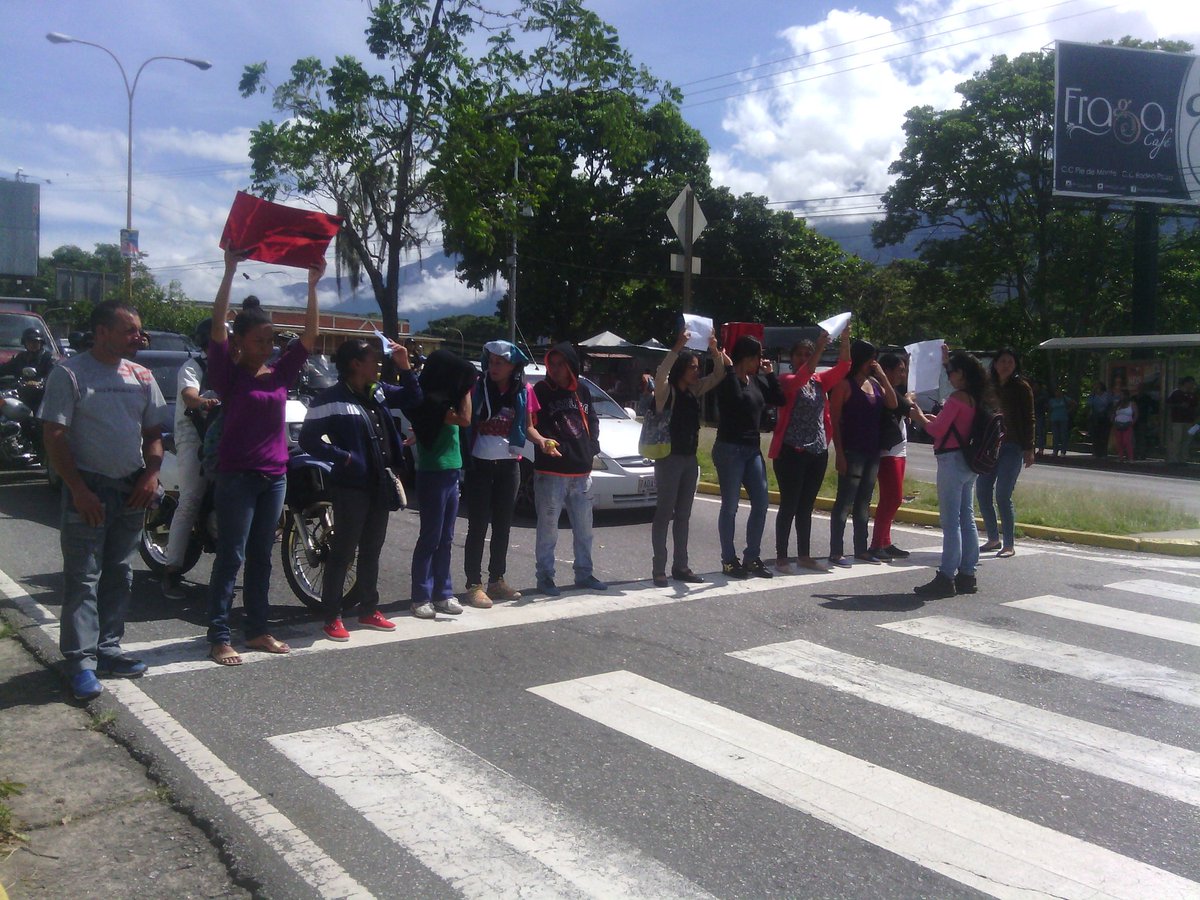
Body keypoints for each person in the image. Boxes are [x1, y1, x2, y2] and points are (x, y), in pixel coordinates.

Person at [40, 299, 166, 699]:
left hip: (131, 489)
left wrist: (151, 475)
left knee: (119, 573)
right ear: (101, 333)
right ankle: (80, 663)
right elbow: (55, 436)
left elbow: (154, 435)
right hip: (89, 490)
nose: (138, 337)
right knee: (83, 577)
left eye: (139, 330)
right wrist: (77, 489)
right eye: (129, 330)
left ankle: (108, 649)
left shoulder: (142, 376)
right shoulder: (70, 374)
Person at [205, 250, 323, 666]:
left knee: (260, 555)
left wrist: (312, 287)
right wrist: (228, 271)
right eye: (260, 340)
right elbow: (218, 328)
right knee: (231, 555)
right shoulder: (227, 373)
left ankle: (256, 629)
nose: (269, 346)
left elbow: (309, 337)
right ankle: (219, 635)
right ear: (240, 342)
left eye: (271, 340)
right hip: (237, 477)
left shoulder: (280, 374)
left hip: (274, 477)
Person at [299, 337, 422, 640]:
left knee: (371, 548)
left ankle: (368, 609)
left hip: (379, 483)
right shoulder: (329, 399)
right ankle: (332, 616)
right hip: (350, 486)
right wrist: (344, 457)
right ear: (356, 364)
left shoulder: (377, 392)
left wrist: (406, 366)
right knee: (343, 551)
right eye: (373, 360)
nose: (379, 365)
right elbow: (308, 440)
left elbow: (413, 398)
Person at [908, 348, 994, 598]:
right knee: (966, 518)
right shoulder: (977, 398)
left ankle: (946, 576)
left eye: (952, 372)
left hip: (951, 460)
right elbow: (952, 425)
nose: (950, 376)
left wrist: (919, 416)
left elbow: (935, 430)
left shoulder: (957, 398)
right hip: (969, 461)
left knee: (950, 521)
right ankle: (967, 574)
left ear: (962, 374)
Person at [528, 342, 608, 595]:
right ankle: (545, 577)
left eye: (561, 363)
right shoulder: (540, 390)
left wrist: (591, 446)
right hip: (551, 473)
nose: (554, 368)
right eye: (552, 362)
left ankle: (584, 574)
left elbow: (592, 419)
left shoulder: (581, 390)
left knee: (585, 531)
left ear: (571, 365)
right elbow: (529, 424)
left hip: (581, 474)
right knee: (548, 530)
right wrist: (544, 443)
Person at [769, 328, 850, 573]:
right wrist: (819, 349)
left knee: (806, 507)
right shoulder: (785, 380)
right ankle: (782, 557)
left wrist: (845, 339)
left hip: (816, 451)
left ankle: (804, 555)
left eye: (808, 354)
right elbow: (800, 378)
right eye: (800, 354)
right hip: (791, 451)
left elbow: (844, 366)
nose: (804, 358)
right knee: (789, 505)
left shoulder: (819, 381)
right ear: (792, 359)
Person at [650, 327, 726, 587]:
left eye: (697, 366)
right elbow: (660, 374)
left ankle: (681, 566)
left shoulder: (694, 391)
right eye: (692, 367)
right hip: (669, 459)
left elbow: (719, 373)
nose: (697, 370)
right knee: (664, 514)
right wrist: (677, 347)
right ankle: (659, 568)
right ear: (682, 368)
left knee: (683, 516)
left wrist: (714, 349)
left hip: (689, 460)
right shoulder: (666, 392)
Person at [462, 340, 532, 608]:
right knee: (477, 525)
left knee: (503, 525)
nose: (494, 367)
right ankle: (473, 584)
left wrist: (544, 441)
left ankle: (497, 580)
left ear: (513, 365)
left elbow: (528, 426)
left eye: (500, 362)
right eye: (491, 362)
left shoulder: (523, 391)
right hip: (480, 463)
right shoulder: (477, 388)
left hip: (509, 465)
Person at [408, 349, 476, 618]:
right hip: (433, 474)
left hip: (452, 472)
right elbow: (465, 419)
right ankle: (420, 596)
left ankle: (443, 592)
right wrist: (465, 390)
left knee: (446, 538)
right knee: (431, 537)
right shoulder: (431, 403)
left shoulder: (445, 400)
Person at [712, 334, 785, 579]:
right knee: (730, 506)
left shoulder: (756, 381)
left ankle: (752, 557)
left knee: (761, 503)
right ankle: (729, 560)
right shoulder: (728, 379)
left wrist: (771, 374)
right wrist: (731, 368)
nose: (761, 360)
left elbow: (780, 399)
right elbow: (733, 399)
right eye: (758, 356)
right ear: (747, 357)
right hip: (729, 448)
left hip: (752, 449)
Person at [161, 318, 222, 600]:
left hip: (222, 435)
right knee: (191, 499)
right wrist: (203, 402)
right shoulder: (193, 367)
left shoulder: (231, 368)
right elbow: (189, 396)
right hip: (193, 436)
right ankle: (172, 571)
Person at [827, 340, 897, 567]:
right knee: (845, 501)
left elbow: (893, 403)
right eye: (870, 358)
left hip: (872, 450)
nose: (873, 362)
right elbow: (835, 421)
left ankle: (861, 548)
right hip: (851, 449)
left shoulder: (875, 382)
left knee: (864, 502)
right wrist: (839, 453)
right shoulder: (844, 385)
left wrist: (882, 376)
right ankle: (836, 551)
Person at [977, 348, 1034, 558]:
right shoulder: (987, 386)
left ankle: (1009, 544)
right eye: (1002, 361)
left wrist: (1029, 448)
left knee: (1002, 494)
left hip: (1013, 445)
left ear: (1015, 365)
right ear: (995, 364)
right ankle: (993, 538)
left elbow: (1030, 418)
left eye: (1010, 361)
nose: (1006, 365)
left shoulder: (1021, 387)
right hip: (989, 445)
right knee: (982, 491)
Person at [868, 351, 915, 562]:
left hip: (899, 448)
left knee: (892, 498)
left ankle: (885, 541)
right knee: (893, 498)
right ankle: (877, 543)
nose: (903, 375)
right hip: (889, 451)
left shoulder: (892, 389)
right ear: (885, 371)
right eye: (900, 370)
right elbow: (902, 406)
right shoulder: (881, 388)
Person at [1166, 376, 1197, 466]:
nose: (1192, 385)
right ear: (1186, 383)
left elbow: (1195, 407)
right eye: (1191, 383)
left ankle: (1183, 459)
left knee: (1186, 440)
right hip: (1177, 420)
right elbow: (1168, 404)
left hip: (1189, 421)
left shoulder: (1193, 395)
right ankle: (1173, 459)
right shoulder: (1176, 393)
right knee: (1176, 440)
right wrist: (1179, 405)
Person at [1086, 380, 1114, 458]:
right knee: (1095, 436)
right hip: (1095, 417)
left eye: (1097, 387)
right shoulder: (1093, 396)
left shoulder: (1107, 395)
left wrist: (1111, 415)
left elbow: (1111, 405)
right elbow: (1089, 405)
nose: (1095, 388)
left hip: (1105, 417)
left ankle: (1103, 453)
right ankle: (1096, 452)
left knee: (1104, 436)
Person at [1046, 385, 1074, 457]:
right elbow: (1049, 410)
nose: (1058, 393)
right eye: (1056, 392)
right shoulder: (1052, 400)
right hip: (1054, 419)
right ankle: (1055, 451)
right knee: (1055, 436)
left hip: (1063, 419)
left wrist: (1068, 411)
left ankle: (1063, 451)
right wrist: (1048, 419)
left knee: (1063, 435)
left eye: (1059, 391)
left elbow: (1074, 403)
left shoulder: (1065, 399)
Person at [1111, 390, 1137, 463]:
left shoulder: (1132, 404)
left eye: (1123, 395)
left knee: (1127, 441)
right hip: (1118, 424)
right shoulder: (1118, 404)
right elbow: (1113, 413)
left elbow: (1136, 414)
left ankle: (1130, 457)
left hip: (1127, 424)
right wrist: (1113, 422)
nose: (1121, 397)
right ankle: (1120, 457)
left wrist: (1132, 422)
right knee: (1119, 441)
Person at [1032, 379, 1049, 459]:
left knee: (1040, 433)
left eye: (1036, 385)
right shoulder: (1032, 393)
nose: (1035, 387)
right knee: (1033, 433)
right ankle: (1032, 449)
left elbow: (1046, 404)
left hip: (1040, 415)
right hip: (1032, 415)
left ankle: (1041, 449)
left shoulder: (1044, 394)